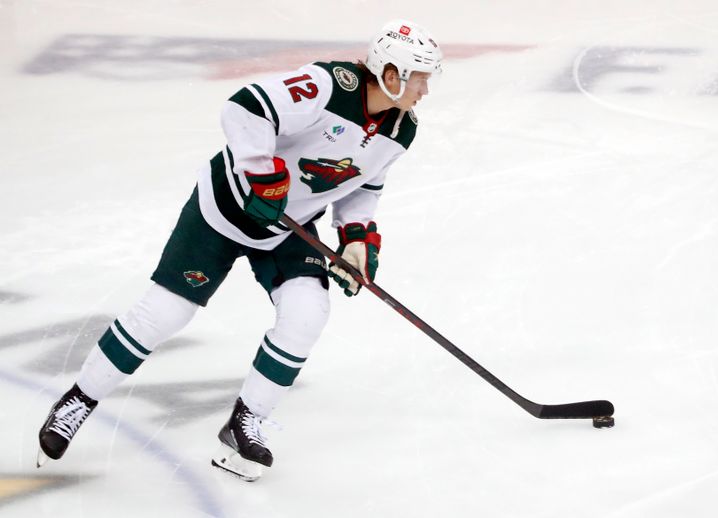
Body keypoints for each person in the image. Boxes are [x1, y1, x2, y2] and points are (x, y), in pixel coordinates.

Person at [36, 19, 443, 482]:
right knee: (165, 314)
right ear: (392, 74)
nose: (426, 90)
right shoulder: (327, 85)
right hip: (225, 206)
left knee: (307, 313)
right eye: (422, 77)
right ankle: (78, 400)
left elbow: (364, 185)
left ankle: (244, 422)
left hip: (288, 225)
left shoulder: (402, 129)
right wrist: (261, 173)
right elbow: (245, 108)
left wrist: (354, 238)